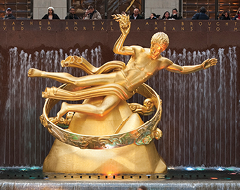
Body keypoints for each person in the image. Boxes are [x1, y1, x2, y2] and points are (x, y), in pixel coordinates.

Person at [28, 14, 217, 122]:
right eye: (155, 46)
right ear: (151, 43)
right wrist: (124, 33)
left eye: (161, 49)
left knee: (102, 111)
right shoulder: (138, 50)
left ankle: (68, 106)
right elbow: (117, 49)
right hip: (116, 79)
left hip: (125, 92)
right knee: (78, 82)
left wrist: (201, 66)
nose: (156, 51)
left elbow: (182, 69)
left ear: (164, 49)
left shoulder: (162, 62)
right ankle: (41, 73)